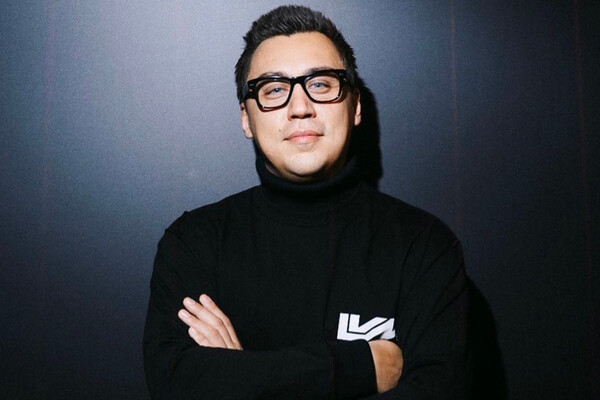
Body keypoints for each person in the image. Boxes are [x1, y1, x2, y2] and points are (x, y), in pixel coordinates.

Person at [143, 5, 469, 399]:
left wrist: (243, 378)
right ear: (246, 118)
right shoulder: (194, 244)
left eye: (321, 84)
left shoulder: (424, 247)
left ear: (356, 105)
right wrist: (357, 367)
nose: (300, 108)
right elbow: (179, 385)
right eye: (274, 90)